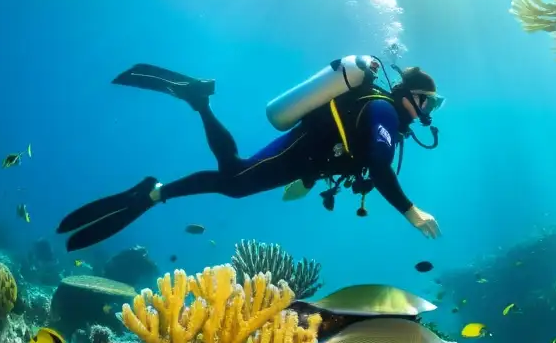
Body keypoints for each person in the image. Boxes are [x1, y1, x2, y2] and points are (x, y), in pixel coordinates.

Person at [57, 62, 443, 251]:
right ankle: (198, 103)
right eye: (429, 103)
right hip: (298, 150)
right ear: (413, 96)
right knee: (235, 178)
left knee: (234, 181)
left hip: (303, 157)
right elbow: (375, 164)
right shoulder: (385, 113)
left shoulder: (381, 112)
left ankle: (155, 190)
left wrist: (307, 181)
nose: (428, 112)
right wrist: (411, 211)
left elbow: (343, 148)